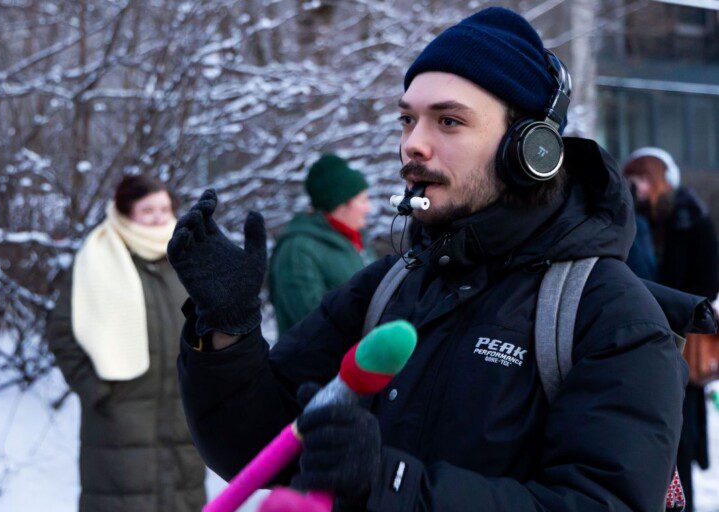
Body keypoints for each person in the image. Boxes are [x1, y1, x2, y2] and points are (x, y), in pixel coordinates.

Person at [168, 8, 688, 511]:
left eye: (449, 121)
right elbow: (257, 450)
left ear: (531, 151)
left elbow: (598, 502)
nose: (413, 145)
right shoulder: (390, 287)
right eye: (407, 119)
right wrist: (227, 336)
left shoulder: (609, 316)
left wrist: (387, 482)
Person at [46, 175, 206, 512]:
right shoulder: (97, 258)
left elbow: (211, 323)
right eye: (148, 210)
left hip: (183, 415)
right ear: (125, 213)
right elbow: (63, 333)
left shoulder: (188, 257)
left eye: (164, 208)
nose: (160, 217)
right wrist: (96, 390)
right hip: (119, 419)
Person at [624, 147, 719, 510]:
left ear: (661, 180)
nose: (638, 187)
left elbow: (708, 285)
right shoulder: (632, 221)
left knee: (679, 441)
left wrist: (673, 303)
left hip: (682, 341)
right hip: (645, 340)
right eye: (632, 179)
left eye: (644, 178)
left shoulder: (691, 219)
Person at [270, 154, 376, 335]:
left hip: (363, 358)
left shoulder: (354, 241)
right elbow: (311, 322)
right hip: (316, 362)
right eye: (363, 200)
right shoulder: (298, 249)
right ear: (341, 204)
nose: (369, 208)